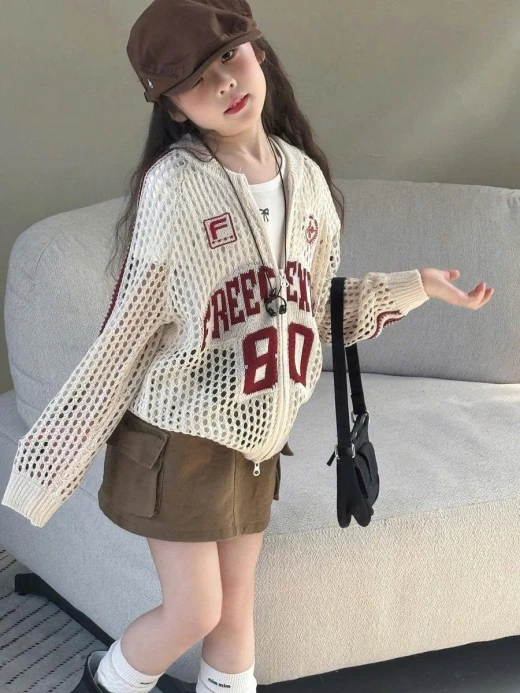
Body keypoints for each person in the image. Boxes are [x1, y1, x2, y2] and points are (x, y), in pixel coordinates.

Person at [2, 1, 494, 692]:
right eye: (196, 80)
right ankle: (102, 684)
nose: (225, 83)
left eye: (229, 57)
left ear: (258, 52)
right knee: (196, 609)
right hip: (175, 439)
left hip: (258, 443)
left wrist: (417, 286)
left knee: (236, 612)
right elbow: (125, 336)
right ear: (174, 107)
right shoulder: (177, 188)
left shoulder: (307, 181)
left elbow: (314, 315)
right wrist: (50, 460)